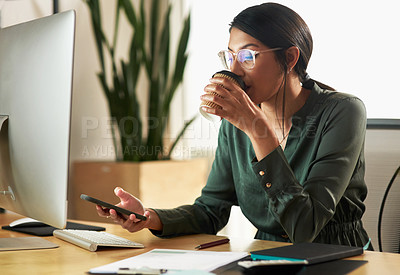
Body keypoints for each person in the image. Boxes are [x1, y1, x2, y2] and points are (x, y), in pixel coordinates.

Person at [96, 2, 371, 249]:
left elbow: (304, 227)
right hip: (266, 257)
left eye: (248, 57)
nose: (235, 71)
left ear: (290, 58)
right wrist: (149, 218)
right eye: (230, 57)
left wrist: (256, 129)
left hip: (338, 257)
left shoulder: (343, 111)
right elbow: (210, 210)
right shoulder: (236, 122)